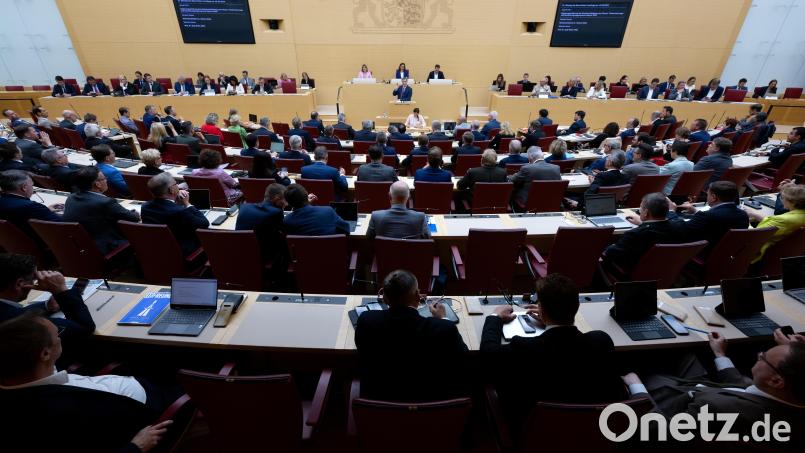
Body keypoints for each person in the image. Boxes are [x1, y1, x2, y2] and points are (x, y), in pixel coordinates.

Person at [0, 313, 175, 453]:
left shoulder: (23, 370)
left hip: (114, 383)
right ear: (45, 354)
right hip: (148, 407)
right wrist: (136, 447)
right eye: (58, 334)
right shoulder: (58, 414)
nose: (60, 338)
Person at [481, 274, 626, 426]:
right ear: (577, 307)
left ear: (541, 310)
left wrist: (495, 317)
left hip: (537, 430)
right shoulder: (601, 342)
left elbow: (488, 354)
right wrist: (553, 321)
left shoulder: (524, 348)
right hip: (591, 430)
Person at [623, 331, 805, 450]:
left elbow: (652, 431)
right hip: (709, 389)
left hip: (669, 403)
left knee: (635, 366)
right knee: (686, 352)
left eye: (763, 357)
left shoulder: (717, 409)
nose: (759, 355)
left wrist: (637, 389)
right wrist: (720, 355)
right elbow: (745, 387)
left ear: (776, 381)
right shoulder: (789, 399)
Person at [355, 269, 468, 402]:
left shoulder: (366, 321)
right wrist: (443, 319)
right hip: (431, 406)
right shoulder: (445, 329)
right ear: (418, 296)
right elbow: (464, 359)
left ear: (384, 298)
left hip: (379, 407)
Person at [0, 253, 94, 337]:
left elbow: (14, 312)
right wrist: (62, 291)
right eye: (34, 278)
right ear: (19, 284)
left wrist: (47, 306)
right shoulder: (20, 322)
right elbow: (84, 328)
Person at [63, 166, 139, 254]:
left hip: (81, 247)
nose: (106, 180)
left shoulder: (71, 197)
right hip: (109, 248)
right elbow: (133, 218)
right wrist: (135, 213)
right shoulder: (105, 202)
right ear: (97, 184)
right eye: (104, 178)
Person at [603, 192, 682, 272]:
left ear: (646, 212)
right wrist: (642, 224)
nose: (639, 211)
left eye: (640, 208)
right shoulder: (678, 227)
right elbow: (658, 228)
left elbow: (610, 254)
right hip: (662, 271)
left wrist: (610, 246)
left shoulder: (635, 234)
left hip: (628, 272)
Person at [140, 172, 209, 257]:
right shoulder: (179, 211)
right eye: (176, 184)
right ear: (171, 190)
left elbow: (166, 209)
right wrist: (187, 203)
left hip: (156, 250)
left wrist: (175, 201)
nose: (178, 186)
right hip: (183, 253)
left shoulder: (145, 207)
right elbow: (204, 224)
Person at [743, 182, 805, 263]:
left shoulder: (783, 220)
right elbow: (778, 225)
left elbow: (754, 236)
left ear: (792, 202)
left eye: (782, 198)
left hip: (760, 254)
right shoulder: (798, 216)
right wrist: (755, 214)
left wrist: (745, 220)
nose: (781, 200)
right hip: (788, 255)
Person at [675, 181, 749, 247]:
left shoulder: (706, 216)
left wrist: (672, 211)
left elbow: (680, 230)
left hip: (700, 254)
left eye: (708, 194)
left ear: (713, 197)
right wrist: (696, 211)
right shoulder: (743, 215)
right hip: (727, 254)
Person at [0, 170, 62, 241]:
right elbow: (61, 225)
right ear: (24, 188)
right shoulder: (32, 207)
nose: (33, 188)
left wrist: (45, 210)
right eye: (32, 185)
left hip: (13, 242)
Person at [236, 183, 288, 262]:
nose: (286, 203)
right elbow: (283, 232)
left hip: (240, 252)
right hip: (262, 256)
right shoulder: (276, 212)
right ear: (277, 198)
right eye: (285, 200)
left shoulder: (244, 207)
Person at [283, 184, 349, 236]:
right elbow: (346, 229)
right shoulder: (328, 211)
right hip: (329, 249)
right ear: (306, 195)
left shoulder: (287, 221)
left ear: (288, 203)